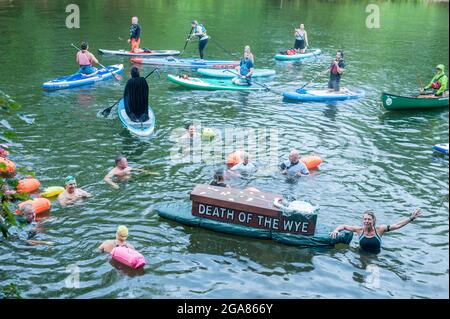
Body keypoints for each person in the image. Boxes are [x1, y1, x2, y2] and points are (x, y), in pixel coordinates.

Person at [330, 209, 422, 254]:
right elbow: (344, 226)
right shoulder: (359, 230)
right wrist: (336, 230)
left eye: (369, 219)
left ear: (373, 220)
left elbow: (397, 225)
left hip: (375, 257)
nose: (366, 221)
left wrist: (411, 218)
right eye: (365, 219)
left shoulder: (380, 230)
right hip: (361, 255)